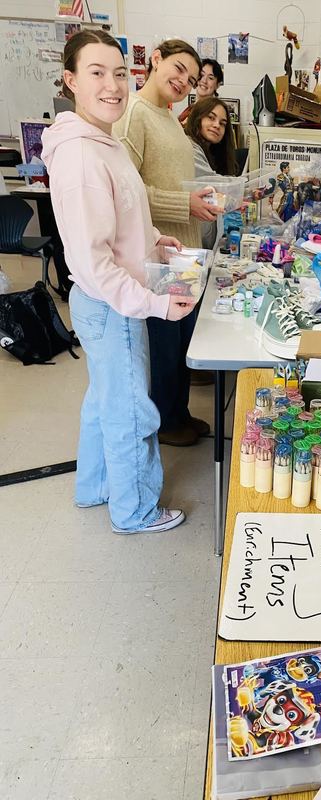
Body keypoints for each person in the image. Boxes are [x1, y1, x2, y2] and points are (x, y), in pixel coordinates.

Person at [41, 29, 197, 533]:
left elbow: (123, 213)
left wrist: (155, 239)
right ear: (71, 81)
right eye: (96, 73)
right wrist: (153, 305)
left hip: (110, 299)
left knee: (103, 401)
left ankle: (94, 487)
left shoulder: (102, 141)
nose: (112, 85)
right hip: (113, 304)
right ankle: (135, 511)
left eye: (117, 73)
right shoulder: (82, 156)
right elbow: (94, 262)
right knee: (131, 409)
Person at [114, 39, 222, 447]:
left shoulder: (168, 116)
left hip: (187, 250)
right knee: (163, 341)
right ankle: (164, 420)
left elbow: (174, 180)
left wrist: (203, 197)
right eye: (177, 69)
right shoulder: (134, 115)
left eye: (191, 79)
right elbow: (128, 190)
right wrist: (185, 203)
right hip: (161, 252)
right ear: (155, 60)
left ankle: (179, 412)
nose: (183, 81)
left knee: (182, 338)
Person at [185, 96, 237, 249]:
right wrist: (246, 186)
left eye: (222, 123)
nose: (217, 126)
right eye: (211, 118)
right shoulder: (190, 147)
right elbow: (213, 182)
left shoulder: (208, 151)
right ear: (198, 118)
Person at [178, 58, 224, 125]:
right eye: (202, 75)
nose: (204, 81)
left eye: (210, 78)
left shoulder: (213, 112)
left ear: (217, 85)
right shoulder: (193, 107)